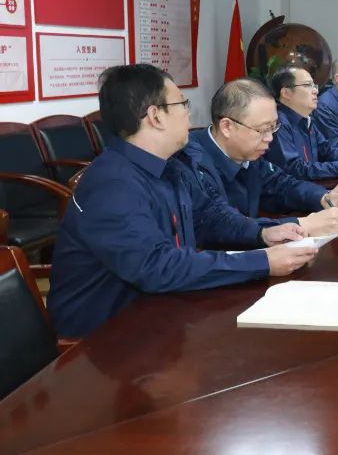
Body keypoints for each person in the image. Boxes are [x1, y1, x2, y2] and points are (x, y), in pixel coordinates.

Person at [48, 64, 317, 338]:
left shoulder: (170, 164)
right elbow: (157, 266)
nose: (189, 113)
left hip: (166, 309)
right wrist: (261, 261)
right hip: (105, 336)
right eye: (182, 104)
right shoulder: (113, 185)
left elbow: (209, 217)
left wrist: (263, 233)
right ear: (155, 116)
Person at [178, 77, 338, 236]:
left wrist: (324, 197)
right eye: (262, 130)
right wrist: (301, 224)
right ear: (227, 127)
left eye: (273, 127)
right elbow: (222, 223)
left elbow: (282, 185)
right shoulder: (191, 161)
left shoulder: (250, 154)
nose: (269, 138)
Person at [266, 66, 338, 182]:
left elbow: (326, 150)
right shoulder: (278, 124)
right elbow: (296, 169)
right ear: (286, 93)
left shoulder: (307, 119)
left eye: (314, 85)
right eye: (307, 85)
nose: (315, 91)